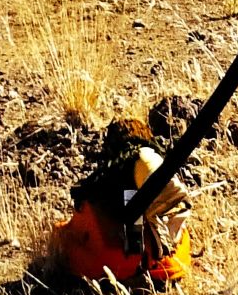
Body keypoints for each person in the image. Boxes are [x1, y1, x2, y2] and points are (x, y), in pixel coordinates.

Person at [52, 119, 192, 283]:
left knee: (61, 232)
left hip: (110, 265)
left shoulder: (118, 169)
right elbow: (168, 190)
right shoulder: (144, 158)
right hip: (164, 265)